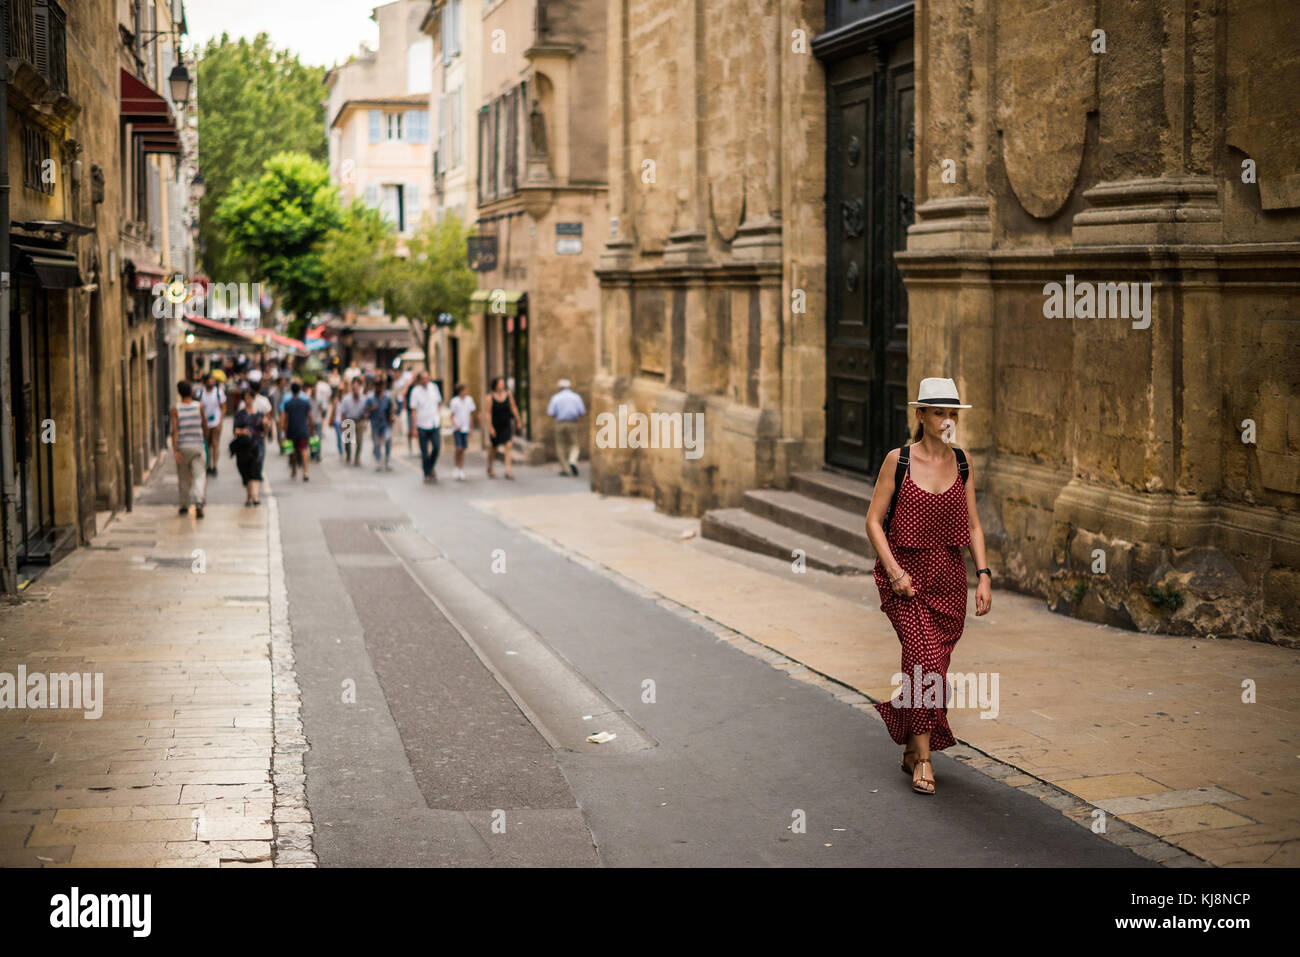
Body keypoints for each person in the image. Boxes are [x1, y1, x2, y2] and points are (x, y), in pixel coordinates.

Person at [863, 377, 992, 796]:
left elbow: (972, 524)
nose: (947, 420)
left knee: (934, 667)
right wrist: (896, 572)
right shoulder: (898, 460)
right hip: (905, 579)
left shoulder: (963, 462)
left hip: (949, 581)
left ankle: (909, 744)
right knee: (922, 661)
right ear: (920, 415)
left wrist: (984, 576)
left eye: (952, 413)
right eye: (939, 412)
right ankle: (923, 760)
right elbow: (873, 522)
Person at [170, 380, 207, 518]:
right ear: (191, 392)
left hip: (183, 446)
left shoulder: (176, 409)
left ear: (179, 393)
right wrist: (205, 441)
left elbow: (175, 430)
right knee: (199, 475)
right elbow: (204, 425)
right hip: (197, 446)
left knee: (184, 477)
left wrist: (175, 450)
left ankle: (184, 505)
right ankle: (198, 502)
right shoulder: (199, 406)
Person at [231, 388, 267, 506]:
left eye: (250, 397)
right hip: (243, 446)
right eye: (246, 398)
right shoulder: (240, 415)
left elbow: (265, 431)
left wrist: (267, 424)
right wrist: (243, 431)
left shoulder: (260, 415)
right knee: (246, 471)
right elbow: (235, 430)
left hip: (257, 446)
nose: (248, 400)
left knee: (256, 470)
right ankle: (250, 496)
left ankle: (254, 496)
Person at [408, 372, 444, 483]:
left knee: (437, 447)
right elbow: (413, 410)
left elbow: (438, 402)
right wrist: (413, 427)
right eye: (423, 378)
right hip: (422, 424)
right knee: (424, 451)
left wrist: (439, 416)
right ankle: (426, 473)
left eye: (427, 378)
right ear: (419, 380)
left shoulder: (434, 387)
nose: (426, 380)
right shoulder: (415, 391)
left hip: (434, 422)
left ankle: (430, 466)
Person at [546, 378, 586, 477]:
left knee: (560, 446)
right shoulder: (576, 397)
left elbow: (551, 412)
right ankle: (572, 460)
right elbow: (582, 411)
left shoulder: (556, 397)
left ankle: (565, 468)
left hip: (560, 423)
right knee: (575, 444)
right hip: (573, 422)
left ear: (559, 388)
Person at [486, 376, 523, 480]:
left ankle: (508, 470)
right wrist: (490, 427)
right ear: (496, 385)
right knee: (494, 448)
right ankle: (490, 467)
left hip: (506, 424)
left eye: (503, 383)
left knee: (508, 445)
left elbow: (513, 407)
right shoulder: (490, 397)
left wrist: (518, 420)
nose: (502, 385)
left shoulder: (508, 395)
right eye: (500, 383)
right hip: (496, 424)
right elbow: (488, 413)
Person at [280, 381, 314, 482]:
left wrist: (284, 432)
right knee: (304, 450)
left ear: (291, 390)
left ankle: (294, 469)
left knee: (293, 452)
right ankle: (306, 472)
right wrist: (312, 430)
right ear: (300, 390)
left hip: (292, 430)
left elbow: (285, 419)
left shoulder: (288, 403)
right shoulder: (305, 402)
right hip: (303, 429)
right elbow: (310, 417)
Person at [196, 372, 226, 477]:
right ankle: (208, 465)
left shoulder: (219, 392)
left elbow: (223, 407)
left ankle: (214, 466)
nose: (212, 381)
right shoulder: (200, 393)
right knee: (207, 445)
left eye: (213, 380)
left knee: (215, 443)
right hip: (205, 423)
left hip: (216, 422)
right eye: (210, 379)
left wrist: (220, 422)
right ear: (205, 381)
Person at [365, 377, 397, 471]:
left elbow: (391, 409)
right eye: (377, 386)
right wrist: (371, 409)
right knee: (377, 443)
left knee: (388, 440)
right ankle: (378, 461)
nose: (379, 388)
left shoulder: (387, 398)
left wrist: (392, 416)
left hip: (386, 423)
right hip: (375, 424)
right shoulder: (370, 398)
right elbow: (366, 411)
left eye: (380, 386)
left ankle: (387, 460)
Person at [448, 383, 477, 481]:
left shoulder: (469, 400)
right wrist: (456, 424)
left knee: (463, 449)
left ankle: (461, 468)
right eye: (465, 390)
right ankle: (456, 467)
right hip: (457, 428)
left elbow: (470, 414)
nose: (467, 392)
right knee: (458, 448)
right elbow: (451, 415)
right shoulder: (454, 401)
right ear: (460, 391)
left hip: (465, 428)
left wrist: (471, 427)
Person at [338, 377, 369, 467]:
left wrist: (365, 422)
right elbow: (343, 412)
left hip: (359, 420)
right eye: (354, 389)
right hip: (349, 420)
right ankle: (348, 455)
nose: (355, 391)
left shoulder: (363, 399)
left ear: (359, 389)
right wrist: (343, 424)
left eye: (357, 389)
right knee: (348, 441)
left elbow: (365, 412)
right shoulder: (346, 399)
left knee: (359, 440)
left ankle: (357, 457)